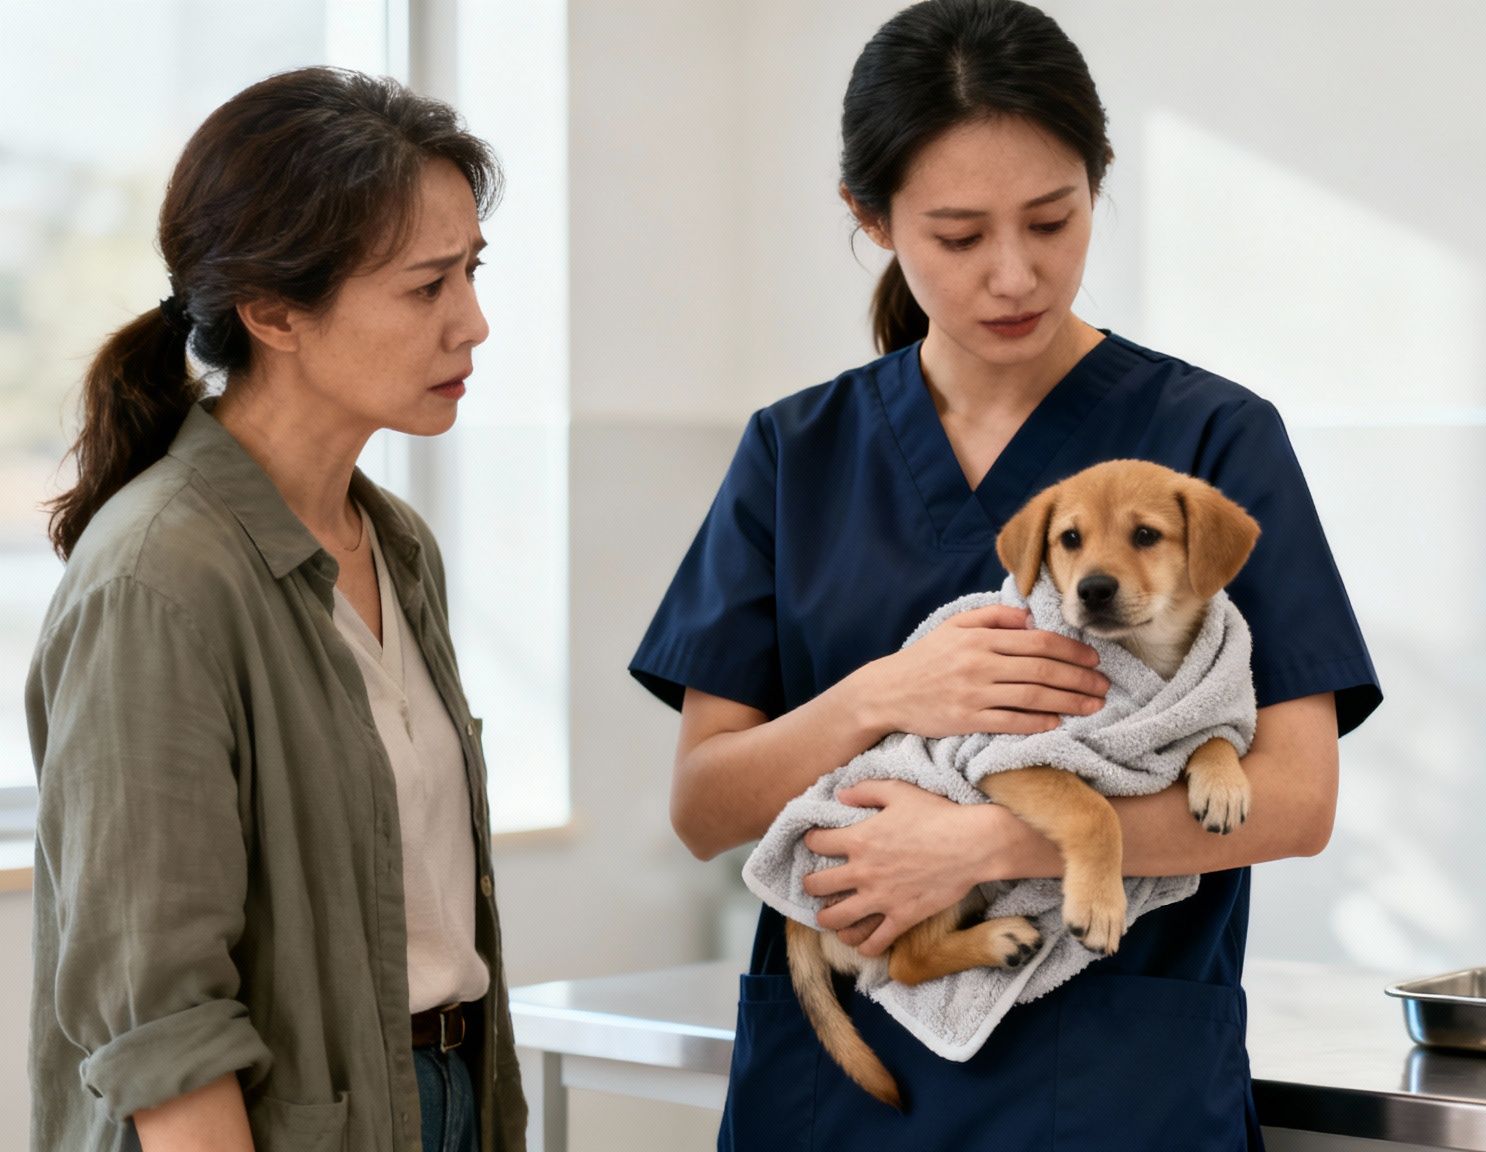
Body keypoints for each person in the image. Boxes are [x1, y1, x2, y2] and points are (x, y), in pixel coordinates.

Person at [631, 1, 1380, 1146]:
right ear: (870, 220)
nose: (1014, 275)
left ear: (1098, 184)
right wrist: (886, 695)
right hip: (845, 1089)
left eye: (1051, 219)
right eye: (957, 235)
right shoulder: (799, 451)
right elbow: (702, 807)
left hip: (1111, 1086)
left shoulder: (1211, 441)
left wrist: (997, 842)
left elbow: (1294, 801)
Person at [27, 67, 525, 1152]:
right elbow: (163, 1025)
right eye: (426, 286)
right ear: (271, 312)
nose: (473, 324)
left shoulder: (393, 542)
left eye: (471, 273)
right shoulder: (158, 580)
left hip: (441, 1099)